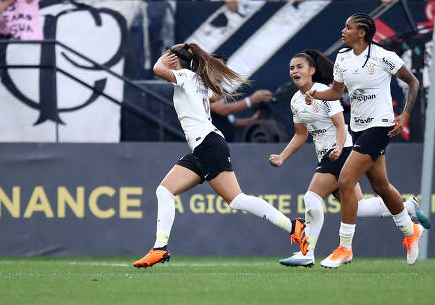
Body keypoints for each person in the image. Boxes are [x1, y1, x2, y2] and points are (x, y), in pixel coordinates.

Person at [132, 43, 309, 268]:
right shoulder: (195, 80)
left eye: (172, 59)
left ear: (177, 62)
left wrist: (171, 58)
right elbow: (214, 97)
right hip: (202, 146)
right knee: (165, 191)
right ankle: (159, 248)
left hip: (208, 144)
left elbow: (158, 69)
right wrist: (197, 62)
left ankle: (293, 226)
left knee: (236, 199)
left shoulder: (186, 76)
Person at [270, 49, 430, 267]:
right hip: (328, 154)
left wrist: (337, 147)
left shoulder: (324, 92)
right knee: (359, 207)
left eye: (299, 67)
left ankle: (307, 252)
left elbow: (339, 124)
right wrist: (282, 157)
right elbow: (301, 134)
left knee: (312, 198)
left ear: (312, 71)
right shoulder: (296, 101)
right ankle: (406, 208)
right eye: (291, 68)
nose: (294, 71)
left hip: (341, 151)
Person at [304, 13, 422, 267]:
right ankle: (410, 231)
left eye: (348, 27)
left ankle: (345, 247)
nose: (343, 31)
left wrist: (404, 115)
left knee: (346, 181)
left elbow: (413, 83)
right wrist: (316, 94)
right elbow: (337, 91)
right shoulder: (343, 58)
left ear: (362, 32)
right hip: (357, 128)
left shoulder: (384, 56)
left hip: (380, 126)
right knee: (380, 185)